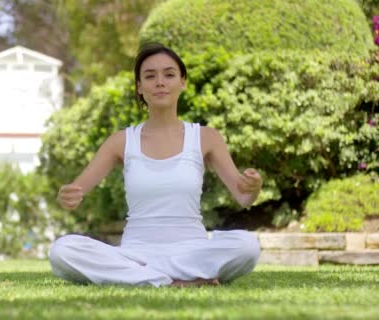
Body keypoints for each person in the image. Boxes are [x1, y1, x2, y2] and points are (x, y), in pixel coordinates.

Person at [49, 43, 262, 287]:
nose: (160, 82)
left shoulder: (206, 137)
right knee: (62, 251)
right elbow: (75, 191)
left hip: (192, 251)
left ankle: (144, 278)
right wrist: (66, 196)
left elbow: (244, 197)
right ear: (140, 87)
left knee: (248, 246)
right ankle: (177, 281)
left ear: (182, 82)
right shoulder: (121, 141)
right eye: (150, 76)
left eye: (169, 75)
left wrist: (253, 187)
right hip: (137, 255)